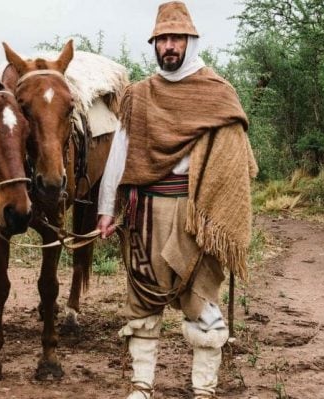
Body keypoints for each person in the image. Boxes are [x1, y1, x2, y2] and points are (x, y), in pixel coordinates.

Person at [96, 2, 258, 398]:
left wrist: (221, 213)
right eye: (162, 39)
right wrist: (105, 210)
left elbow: (234, 161)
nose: (169, 46)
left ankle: (203, 388)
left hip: (196, 214)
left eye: (176, 39)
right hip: (145, 211)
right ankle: (141, 385)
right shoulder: (138, 95)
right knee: (143, 295)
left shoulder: (217, 94)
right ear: (155, 44)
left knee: (200, 297)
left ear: (190, 41)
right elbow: (120, 154)